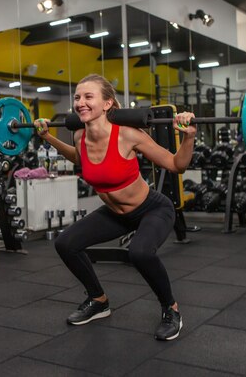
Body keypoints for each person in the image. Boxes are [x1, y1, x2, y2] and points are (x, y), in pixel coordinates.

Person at [33, 73, 195, 341]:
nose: (80, 103)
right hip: (115, 214)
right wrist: (48, 137)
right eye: (77, 97)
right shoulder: (78, 137)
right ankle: (98, 300)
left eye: (88, 97)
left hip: (151, 208)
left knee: (140, 252)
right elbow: (79, 159)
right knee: (66, 243)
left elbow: (177, 165)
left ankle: (171, 309)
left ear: (107, 104)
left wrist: (188, 137)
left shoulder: (128, 135)